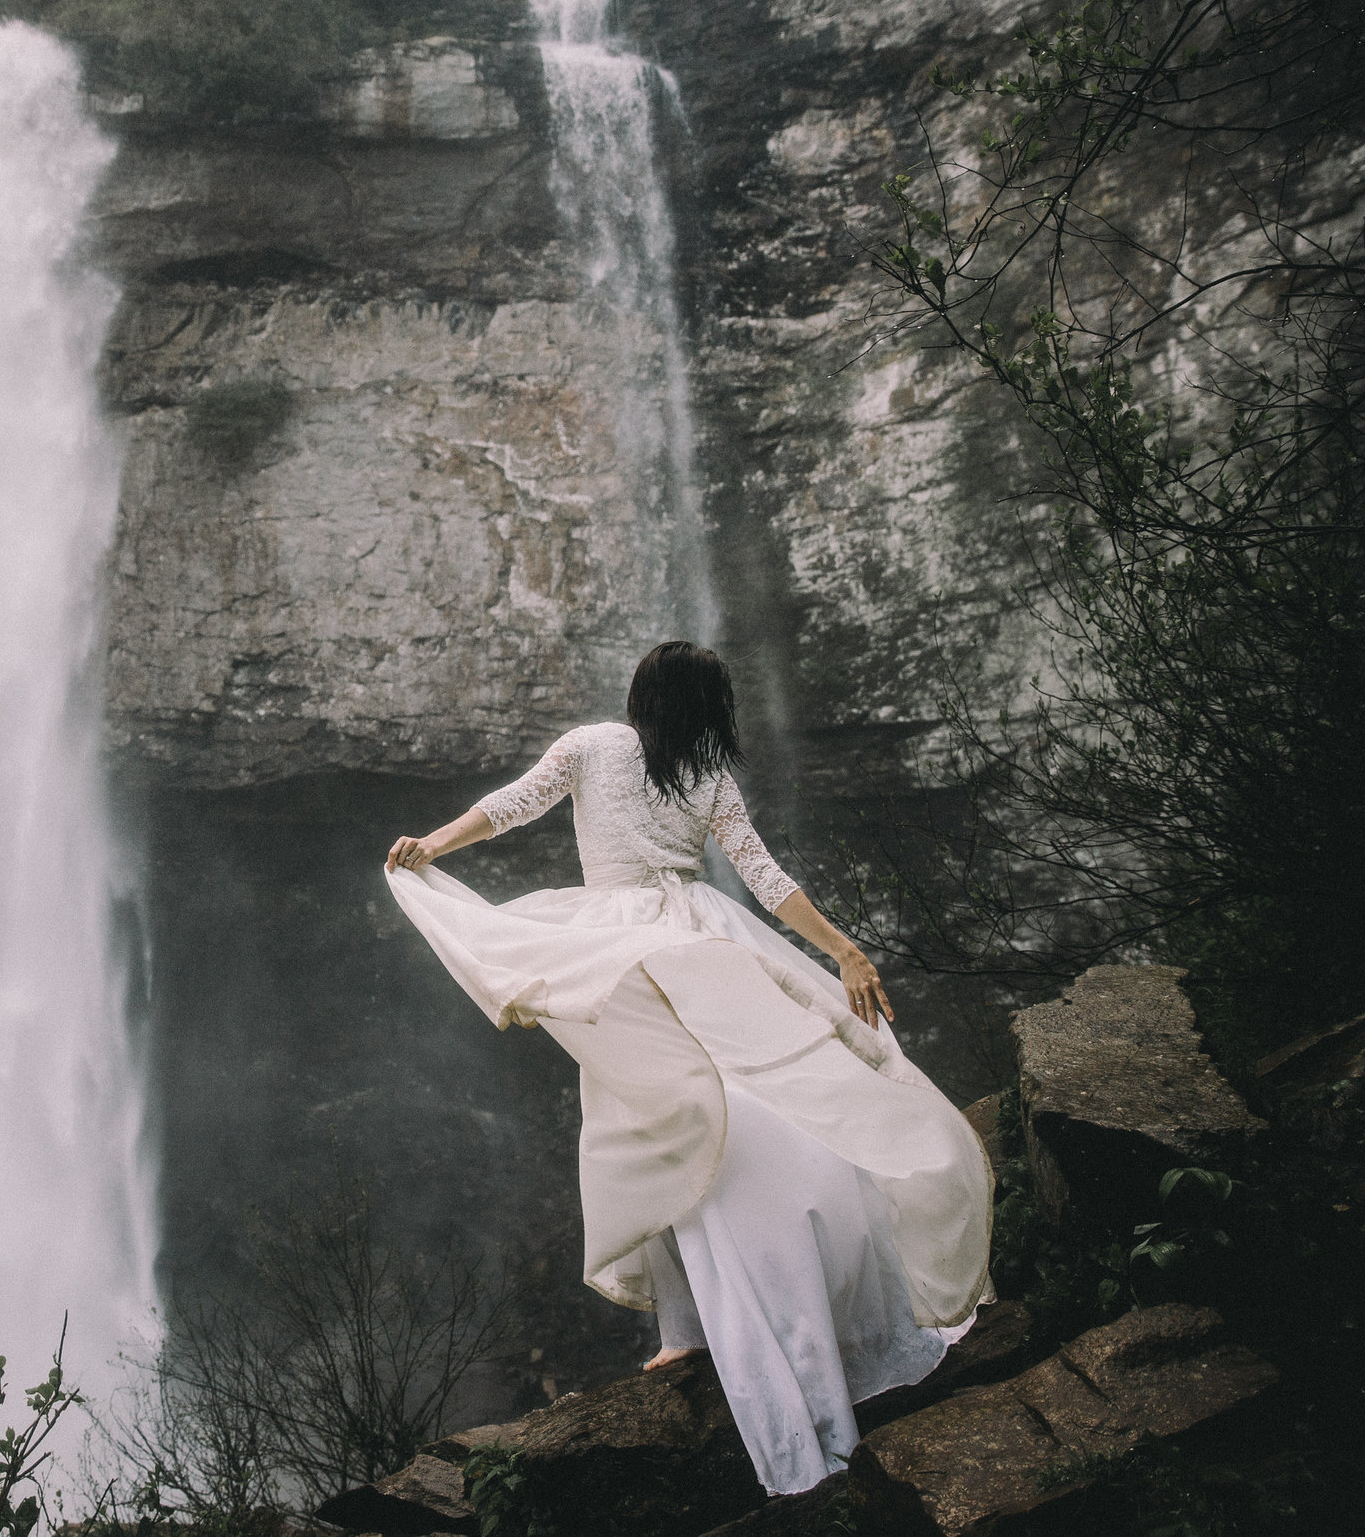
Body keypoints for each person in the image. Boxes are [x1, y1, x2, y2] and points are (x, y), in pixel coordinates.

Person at [382, 641, 992, 1496]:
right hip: (697, 933)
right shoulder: (704, 775)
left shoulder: (594, 745)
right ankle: (717, 1313)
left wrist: (433, 846)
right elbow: (765, 880)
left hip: (614, 946)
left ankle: (687, 1326)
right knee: (730, 1091)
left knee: (648, 1109)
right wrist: (843, 948)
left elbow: (510, 807)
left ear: (640, 697)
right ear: (707, 710)